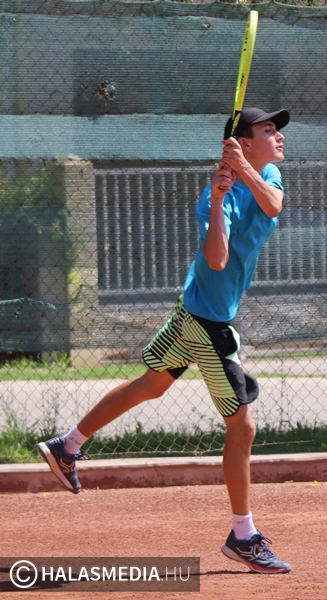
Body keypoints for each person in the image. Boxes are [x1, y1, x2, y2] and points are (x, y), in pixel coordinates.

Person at [37, 107, 292, 575]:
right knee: (243, 430)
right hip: (207, 321)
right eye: (268, 130)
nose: (279, 136)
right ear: (244, 141)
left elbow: (273, 205)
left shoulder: (268, 174)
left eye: (277, 130)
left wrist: (243, 167)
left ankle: (67, 445)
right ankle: (243, 537)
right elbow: (216, 260)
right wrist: (218, 201)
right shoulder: (215, 195)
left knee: (151, 384)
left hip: (195, 308)